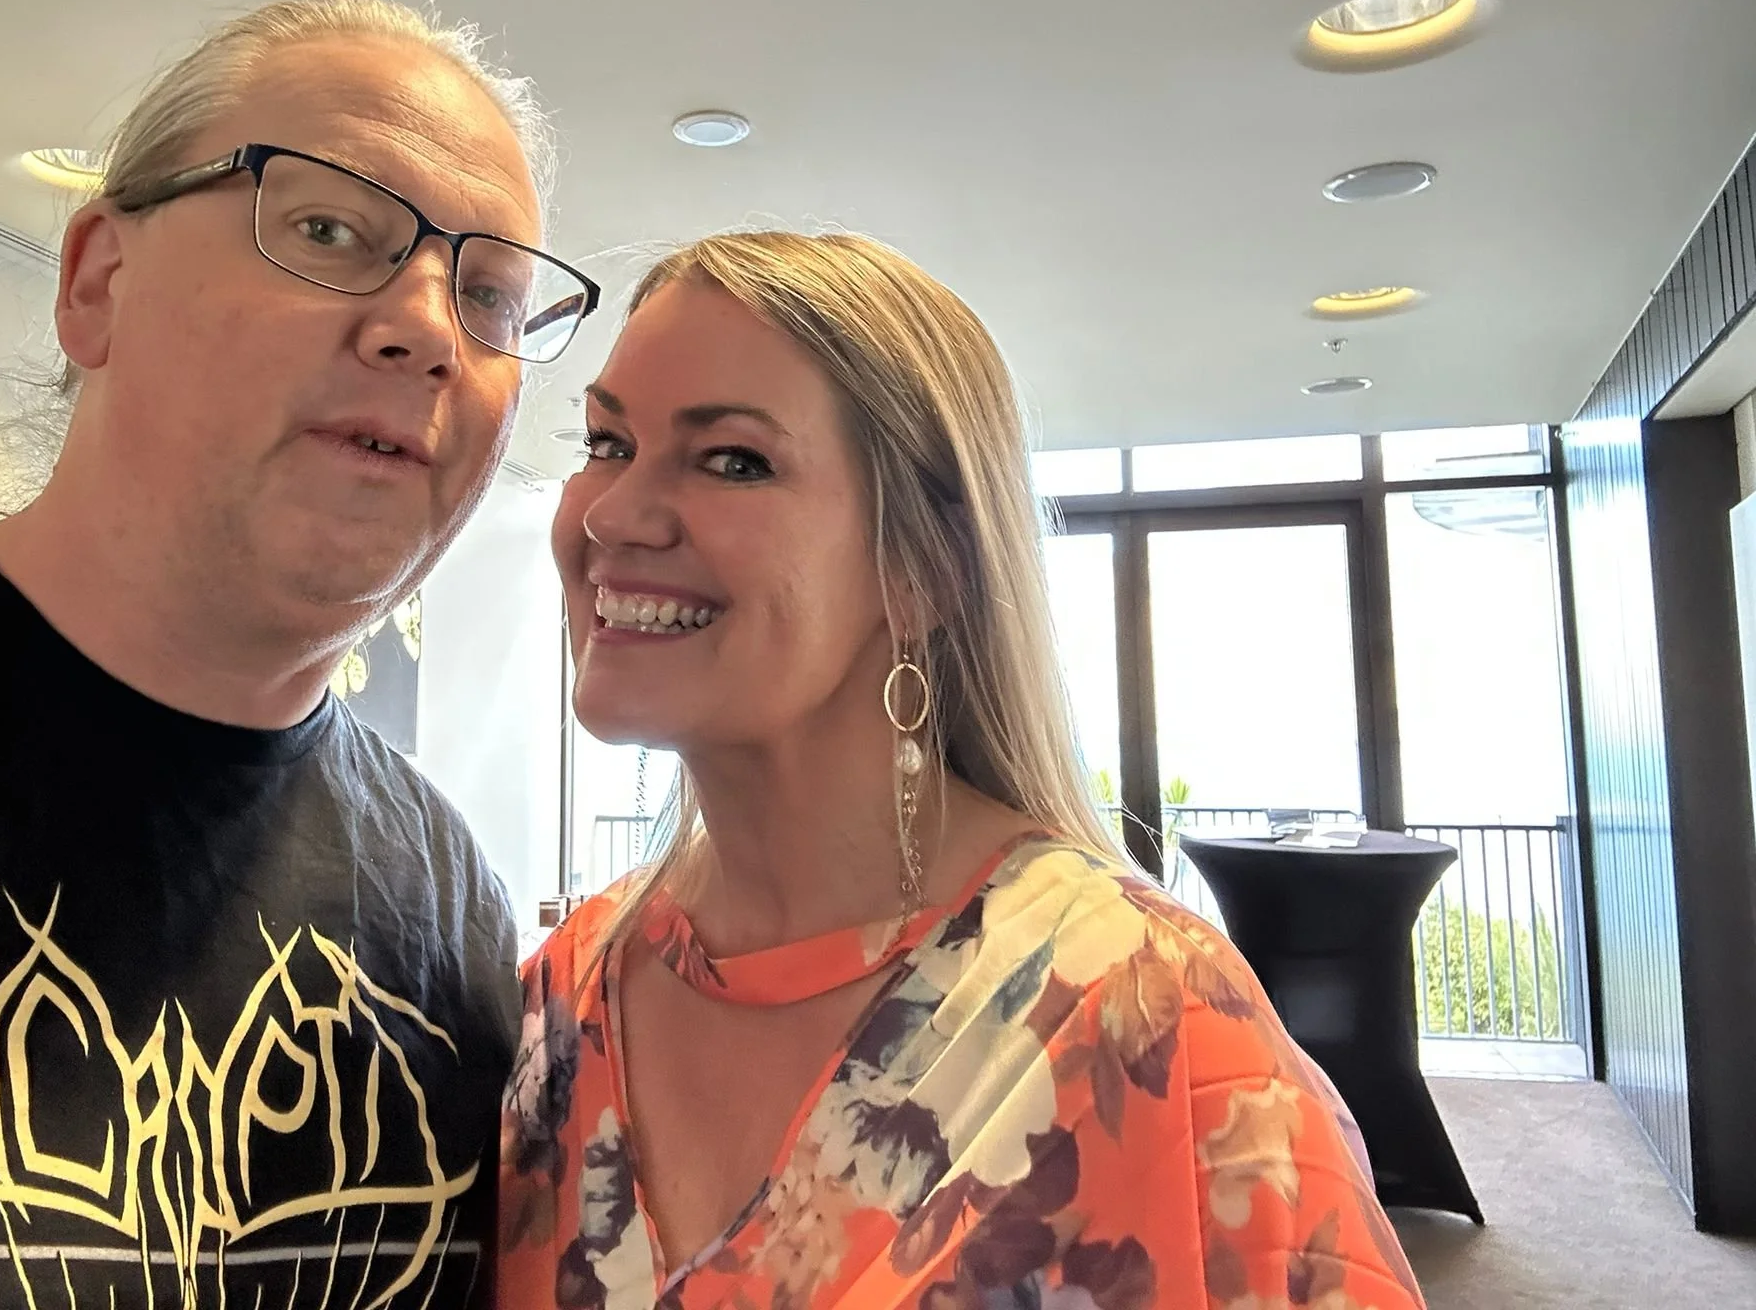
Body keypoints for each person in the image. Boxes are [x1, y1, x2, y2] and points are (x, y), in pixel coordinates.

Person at [0, 0, 602, 1308]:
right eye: (325, 229)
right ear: (97, 282)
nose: (424, 326)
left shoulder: (448, 904)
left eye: (490, 297)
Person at [499, 232, 1424, 1310]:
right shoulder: (559, 1002)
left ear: (923, 569)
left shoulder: (1147, 1022)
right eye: (605, 443)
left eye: (731, 460)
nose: (609, 516)